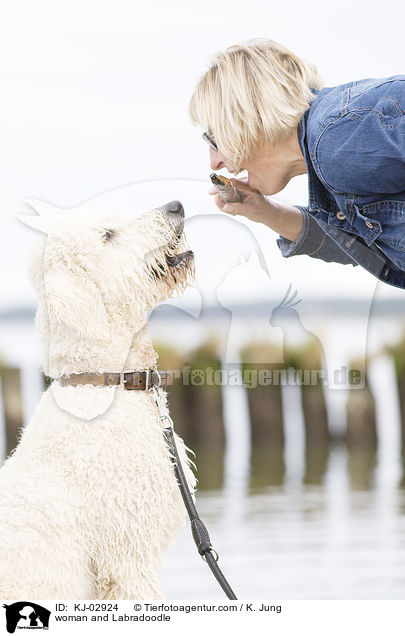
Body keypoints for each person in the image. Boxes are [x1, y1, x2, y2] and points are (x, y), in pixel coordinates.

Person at [188, 38, 405, 289]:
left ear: (249, 116)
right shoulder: (332, 151)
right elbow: (362, 248)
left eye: (214, 138)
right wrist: (266, 212)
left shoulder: (333, 142)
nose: (215, 162)